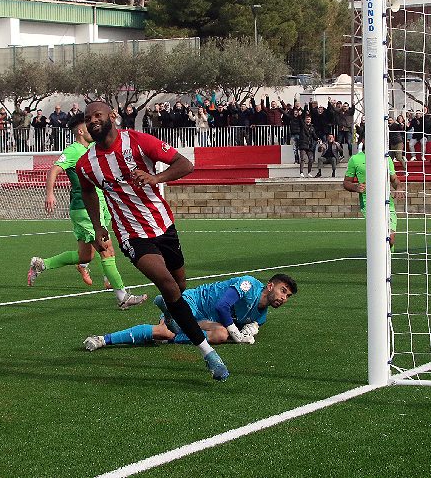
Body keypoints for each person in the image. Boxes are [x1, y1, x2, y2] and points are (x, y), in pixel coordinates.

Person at [75, 101, 230, 381]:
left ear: (112, 116)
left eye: (97, 115)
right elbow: (87, 191)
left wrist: (155, 177)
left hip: (163, 224)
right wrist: (98, 226)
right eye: (88, 118)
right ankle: (208, 353)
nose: (92, 121)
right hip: (130, 233)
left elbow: (186, 164)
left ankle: (169, 307)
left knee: (179, 286)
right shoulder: (87, 164)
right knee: (168, 284)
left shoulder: (138, 141)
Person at [27, 114, 146, 310]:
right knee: (106, 250)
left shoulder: (92, 148)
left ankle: (41, 264)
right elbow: (54, 170)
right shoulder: (73, 150)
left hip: (99, 206)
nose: (93, 129)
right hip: (83, 209)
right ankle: (122, 296)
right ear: (81, 131)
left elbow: (113, 137)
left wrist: (112, 120)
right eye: (88, 127)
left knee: (85, 257)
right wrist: (50, 194)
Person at [83, 273, 297, 351]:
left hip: (203, 321)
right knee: (224, 332)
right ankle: (104, 339)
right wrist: (237, 334)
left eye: (287, 296)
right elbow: (223, 306)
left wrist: (250, 330)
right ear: (270, 286)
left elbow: (246, 325)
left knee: (164, 333)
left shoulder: (261, 315)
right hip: (194, 302)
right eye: (282, 291)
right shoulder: (249, 285)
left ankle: (173, 333)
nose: (283, 298)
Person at [343, 133, 401, 248]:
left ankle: (388, 256)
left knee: (390, 238)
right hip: (368, 203)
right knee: (380, 235)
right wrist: (356, 187)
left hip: (387, 202)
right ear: (364, 140)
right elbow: (346, 182)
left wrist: (399, 188)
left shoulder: (386, 158)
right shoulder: (355, 159)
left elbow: (394, 179)